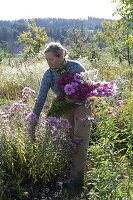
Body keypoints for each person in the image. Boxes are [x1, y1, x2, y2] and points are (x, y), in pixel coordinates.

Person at [31, 42, 91, 188]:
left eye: (51, 59)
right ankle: (71, 174)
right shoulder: (48, 74)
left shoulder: (75, 67)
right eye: (46, 59)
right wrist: (34, 119)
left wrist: (77, 95)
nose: (48, 62)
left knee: (80, 140)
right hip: (64, 107)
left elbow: (89, 85)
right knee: (68, 141)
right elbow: (41, 98)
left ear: (61, 56)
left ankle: (76, 181)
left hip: (82, 106)